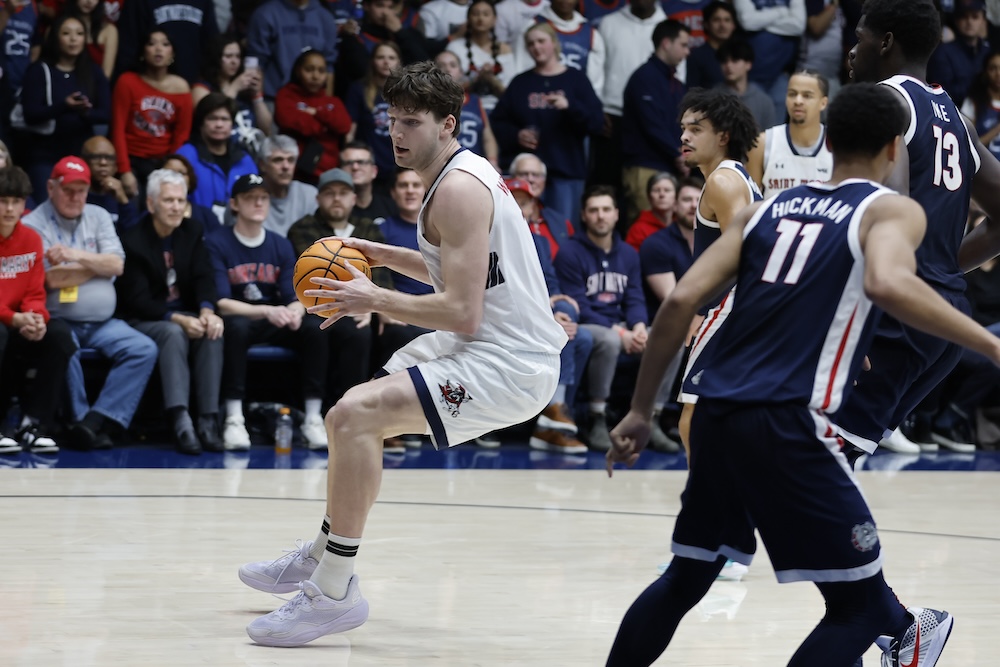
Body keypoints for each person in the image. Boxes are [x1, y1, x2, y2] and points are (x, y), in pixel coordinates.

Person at [603, 81, 965, 667]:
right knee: (860, 609)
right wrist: (990, 347)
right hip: (787, 425)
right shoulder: (887, 209)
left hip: (719, 410)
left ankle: (910, 632)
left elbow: (678, 303)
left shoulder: (772, 206)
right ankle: (908, 634)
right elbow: (889, 285)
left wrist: (642, 410)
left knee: (685, 579)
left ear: (828, 140)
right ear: (896, 148)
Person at [240, 61, 566, 646]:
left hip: (510, 362)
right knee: (350, 417)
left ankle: (334, 587)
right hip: (484, 340)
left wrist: (373, 295)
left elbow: (460, 308)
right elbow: (456, 270)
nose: (397, 133)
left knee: (353, 417)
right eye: (392, 120)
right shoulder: (455, 175)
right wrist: (377, 253)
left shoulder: (460, 192)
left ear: (447, 123)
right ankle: (322, 555)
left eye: (411, 122)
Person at [832, 0, 1000, 463]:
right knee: (836, 455)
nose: (851, 50)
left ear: (885, 43)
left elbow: (893, 209)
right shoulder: (957, 118)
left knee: (815, 457)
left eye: (860, 37)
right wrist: (943, 269)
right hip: (943, 320)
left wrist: (858, 317)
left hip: (896, 313)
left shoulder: (885, 101)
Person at [23, 156, 158, 450]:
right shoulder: (32, 224)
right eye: (68, 189)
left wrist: (74, 255)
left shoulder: (97, 215)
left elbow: (118, 265)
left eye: (81, 190)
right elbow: (51, 281)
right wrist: (98, 266)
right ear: (50, 187)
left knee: (143, 348)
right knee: (62, 346)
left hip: (103, 323)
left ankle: (95, 421)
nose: (75, 197)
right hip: (58, 319)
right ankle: (79, 421)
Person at [204, 173, 330, 450]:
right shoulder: (216, 242)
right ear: (234, 204)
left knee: (314, 328)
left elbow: (296, 296)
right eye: (251, 199)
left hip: (274, 318)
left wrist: (295, 311)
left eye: (263, 198)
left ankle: (312, 417)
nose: (259, 203)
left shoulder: (280, 243)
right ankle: (234, 419)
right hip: (240, 319)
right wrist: (267, 311)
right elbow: (221, 302)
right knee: (235, 327)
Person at [673, 88, 761, 456]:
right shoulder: (736, 178)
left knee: (695, 418)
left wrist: (698, 310)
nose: (684, 137)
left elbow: (745, 256)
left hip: (730, 307)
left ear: (723, 136)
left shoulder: (723, 183)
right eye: (683, 128)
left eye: (696, 129)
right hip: (739, 306)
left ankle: (707, 505)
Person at [115, 169, 224, 454]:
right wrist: (176, 317)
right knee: (174, 332)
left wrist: (207, 310)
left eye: (180, 200)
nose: (176, 206)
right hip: (145, 319)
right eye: (168, 201)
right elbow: (136, 299)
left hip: (185, 313)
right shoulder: (133, 240)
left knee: (213, 330)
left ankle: (208, 420)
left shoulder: (193, 231)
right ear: (151, 204)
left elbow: (205, 277)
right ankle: (180, 419)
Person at [554, 185, 648, 451]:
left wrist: (639, 327)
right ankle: (597, 416)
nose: (600, 216)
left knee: (663, 341)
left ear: (617, 214)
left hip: (622, 326)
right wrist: (621, 334)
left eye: (606, 210)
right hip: (589, 325)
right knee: (609, 340)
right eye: (594, 210)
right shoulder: (570, 252)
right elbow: (579, 305)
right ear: (583, 215)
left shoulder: (629, 254)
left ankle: (652, 417)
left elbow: (635, 297)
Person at [286, 168, 387, 410]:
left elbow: (381, 275)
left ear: (354, 198)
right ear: (318, 199)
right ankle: (312, 412)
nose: (337, 198)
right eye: (330, 193)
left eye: (343, 193)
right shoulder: (303, 228)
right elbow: (308, 276)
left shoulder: (368, 228)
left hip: (359, 309)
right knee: (315, 330)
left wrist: (372, 304)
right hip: (317, 305)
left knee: (361, 332)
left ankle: (351, 408)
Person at [506, 176, 593, 453]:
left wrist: (556, 301)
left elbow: (549, 282)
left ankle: (553, 415)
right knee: (564, 331)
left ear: (533, 209)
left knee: (578, 329)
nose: (519, 209)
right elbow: (501, 291)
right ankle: (554, 415)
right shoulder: (490, 240)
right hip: (508, 316)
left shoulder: (540, 242)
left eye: (524, 204)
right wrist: (544, 315)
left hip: (539, 312)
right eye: (513, 203)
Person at [490, 21, 603, 226]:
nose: (536, 47)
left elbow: (597, 123)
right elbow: (497, 121)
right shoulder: (521, 82)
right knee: (521, 229)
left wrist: (570, 107)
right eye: (531, 44)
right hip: (527, 175)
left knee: (563, 231)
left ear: (554, 43)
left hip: (566, 173)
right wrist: (517, 135)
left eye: (541, 41)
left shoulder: (576, 80)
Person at [0, 166, 77, 454]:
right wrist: (14, 318)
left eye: (16, 201)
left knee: (58, 336)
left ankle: (33, 424)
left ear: (24, 204)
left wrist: (37, 319)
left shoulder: (31, 240)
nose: (9, 209)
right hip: (4, 322)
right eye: (3, 200)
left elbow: (35, 292)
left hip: (19, 321)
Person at [18, 14, 111, 199]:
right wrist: (63, 106)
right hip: (45, 154)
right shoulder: (39, 70)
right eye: (66, 33)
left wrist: (85, 112)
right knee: (47, 205)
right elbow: (30, 114)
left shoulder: (93, 71)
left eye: (79, 33)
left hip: (81, 153)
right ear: (55, 37)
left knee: (79, 205)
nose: (73, 39)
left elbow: (106, 114)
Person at [637, 176, 700, 450]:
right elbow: (675, 300)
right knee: (675, 338)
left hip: (703, 320)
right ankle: (652, 419)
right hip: (662, 323)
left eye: (699, 200)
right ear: (674, 205)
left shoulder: (717, 243)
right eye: (686, 200)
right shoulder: (656, 244)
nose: (693, 206)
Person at [620, 19, 690, 227]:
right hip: (644, 166)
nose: (687, 52)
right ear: (666, 43)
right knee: (645, 226)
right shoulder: (643, 78)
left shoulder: (676, 84)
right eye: (684, 45)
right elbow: (651, 124)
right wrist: (678, 154)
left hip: (670, 166)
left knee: (669, 229)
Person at [110, 29, 193, 201]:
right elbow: (117, 129)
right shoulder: (127, 82)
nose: (158, 49)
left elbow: (181, 135)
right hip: (130, 159)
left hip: (162, 162)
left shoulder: (182, 88)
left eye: (165, 44)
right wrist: (124, 170)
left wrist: (168, 169)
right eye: (151, 43)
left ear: (172, 53)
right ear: (142, 52)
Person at [746, 69, 832, 198]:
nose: (798, 101)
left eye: (807, 96)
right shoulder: (762, 144)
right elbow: (750, 203)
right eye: (792, 94)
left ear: (823, 103)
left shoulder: (839, 146)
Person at [176, 93, 259, 224]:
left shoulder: (245, 160)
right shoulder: (185, 156)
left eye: (224, 119)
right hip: (194, 232)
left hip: (238, 234)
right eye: (212, 118)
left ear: (232, 124)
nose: (219, 124)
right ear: (201, 123)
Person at [274, 49, 353, 183]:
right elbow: (291, 122)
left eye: (321, 71)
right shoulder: (286, 95)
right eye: (309, 70)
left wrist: (317, 113)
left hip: (329, 175)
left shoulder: (333, 102)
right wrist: (326, 127)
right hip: (295, 174)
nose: (315, 76)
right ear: (298, 71)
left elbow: (344, 126)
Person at [244, 0, 339, 103]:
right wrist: (259, 104)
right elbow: (256, 62)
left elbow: (329, 66)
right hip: (273, 100)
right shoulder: (265, 14)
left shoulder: (325, 17)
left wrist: (326, 106)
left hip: (314, 103)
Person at [192, 34, 273, 151]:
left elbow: (266, 130)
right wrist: (234, 88)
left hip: (251, 152)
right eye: (228, 56)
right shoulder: (201, 88)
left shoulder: (246, 88)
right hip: (219, 151)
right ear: (216, 58)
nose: (234, 61)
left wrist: (257, 95)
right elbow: (211, 117)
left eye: (238, 56)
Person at [512, 0, 606, 95]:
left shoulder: (591, 34)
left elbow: (595, 86)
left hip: (577, 103)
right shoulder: (531, 27)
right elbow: (520, 69)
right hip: (539, 99)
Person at [114, 0, 218, 83]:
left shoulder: (204, 2)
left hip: (193, 84)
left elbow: (212, 45)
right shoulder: (138, 2)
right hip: (149, 85)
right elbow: (128, 48)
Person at [345, 42, 402, 187]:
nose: (386, 62)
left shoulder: (406, 93)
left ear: (399, 62)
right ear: (372, 61)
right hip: (367, 166)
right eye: (380, 57)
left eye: (391, 57)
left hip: (398, 167)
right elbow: (350, 132)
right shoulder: (358, 89)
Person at [445, 0, 515, 113]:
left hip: (500, 109)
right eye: (475, 14)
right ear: (468, 19)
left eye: (486, 14)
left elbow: (511, 92)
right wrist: (477, 79)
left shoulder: (505, 49)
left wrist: (491, 80)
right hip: (464, 108)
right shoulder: (455, 47)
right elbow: (447, 90)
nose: (480, 18)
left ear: (494, 20)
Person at [433, 50, 500, 168]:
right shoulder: (428, 102)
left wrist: (493, 161)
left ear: (461, 72)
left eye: (453, 65)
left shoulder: (475, 101)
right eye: (441, 66)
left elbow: (487, 136)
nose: (447, 69)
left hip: (474, 166)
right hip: (440, 166)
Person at [509, 152, 574, 255]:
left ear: (544, 181)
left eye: (536, 175)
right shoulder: (503, 219)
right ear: (512, 178)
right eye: (523, 174)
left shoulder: (561, 222)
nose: (530, 179)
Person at [927, 0, 990, 107]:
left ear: (983, 20)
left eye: (975, 17)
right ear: (956, 20)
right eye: (963, 17)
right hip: (955, 115)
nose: (969, 21)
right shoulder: (942, 53)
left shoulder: (988, 52)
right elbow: (941, 94)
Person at [258, 135, 318, 237]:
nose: (286, 166)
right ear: (262, 165)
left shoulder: (309, 195)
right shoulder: (250, 198)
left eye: (291, 160)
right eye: (278, 160)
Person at [716, 38, 776, 132]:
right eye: (724, 61)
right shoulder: (712, 98)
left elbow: (770, 139)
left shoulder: (764, 101)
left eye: (735, 60)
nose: (728, 66)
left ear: (748, 64)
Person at [82, 135, 140, 231]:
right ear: (83, 161)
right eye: (96, 157)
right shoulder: (76, 196)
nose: (103, 162)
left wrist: (123, 200)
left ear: (115, 167)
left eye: (109, 158)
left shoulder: (121, 199)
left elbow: (134, 237)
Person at [160, 153, 223, 235]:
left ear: (190, 179)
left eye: (181, 173)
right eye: (170, 173)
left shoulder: (207, 216)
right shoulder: (149, 217)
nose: (176, 177)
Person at [339, 141, 398, 227]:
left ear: (374, 171)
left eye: (361, 162)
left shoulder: (392, 208)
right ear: (340, 170)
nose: (355, 167)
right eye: (349, 163)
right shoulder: (334, 210)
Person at [685, 1, 737, 90]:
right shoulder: (696, 55)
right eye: (716, 20)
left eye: (727, 20)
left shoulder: (740, 53)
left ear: (733, 25)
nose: (722, 25)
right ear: (706, 24)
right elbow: (692, 93)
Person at [65, 0, 118, 78]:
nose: (89, 1)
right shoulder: (59, 26)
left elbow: (105, 76)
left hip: (95, 87)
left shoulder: (109, 30)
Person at [625, 172, 677, 251]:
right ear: (649, 197)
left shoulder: (683, 225)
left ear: (676, 196)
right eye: (656, 190)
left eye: (667, 190)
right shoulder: (638, 229)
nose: (662, 194)